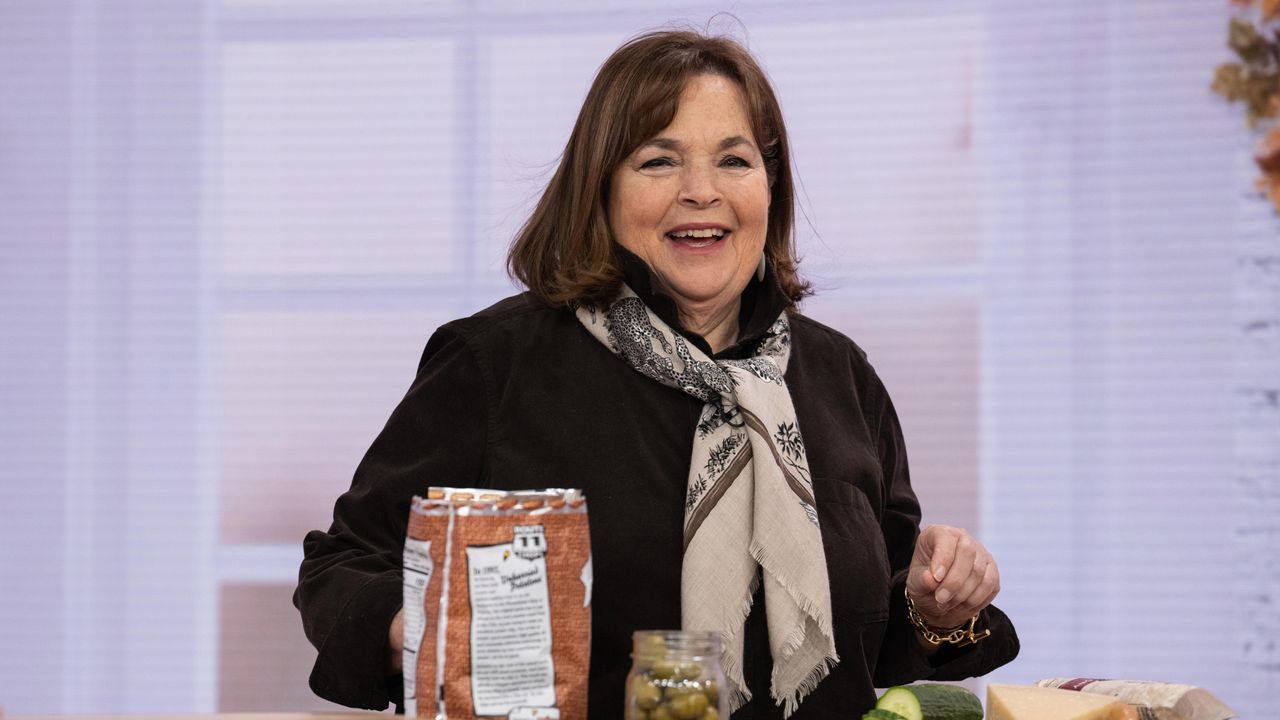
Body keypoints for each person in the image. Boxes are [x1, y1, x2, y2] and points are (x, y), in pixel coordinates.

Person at [294, 29, 1018, 719]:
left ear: (769, 188)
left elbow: (874, 640)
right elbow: (343, 568)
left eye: (734, 161)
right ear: (600, 190)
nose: (701, 190)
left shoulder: (840, 377)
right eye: (658, 160)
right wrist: (427, 627)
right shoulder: (494, 366)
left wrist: (937, 608)